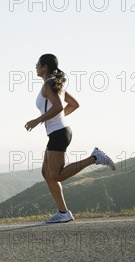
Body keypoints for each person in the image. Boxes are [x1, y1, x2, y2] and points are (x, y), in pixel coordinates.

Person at [25, 54, 116, 223]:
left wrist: (38, 120)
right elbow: (74, 104)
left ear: (44, 67)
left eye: (38, 63)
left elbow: (59, 106)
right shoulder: (54, 83)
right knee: (46, 173)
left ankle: (95, 158)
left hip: (59, 134)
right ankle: (62, 212)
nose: (35, 66)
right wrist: (57, 119)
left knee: (57, 175)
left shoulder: (48, 84)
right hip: (58, 132)